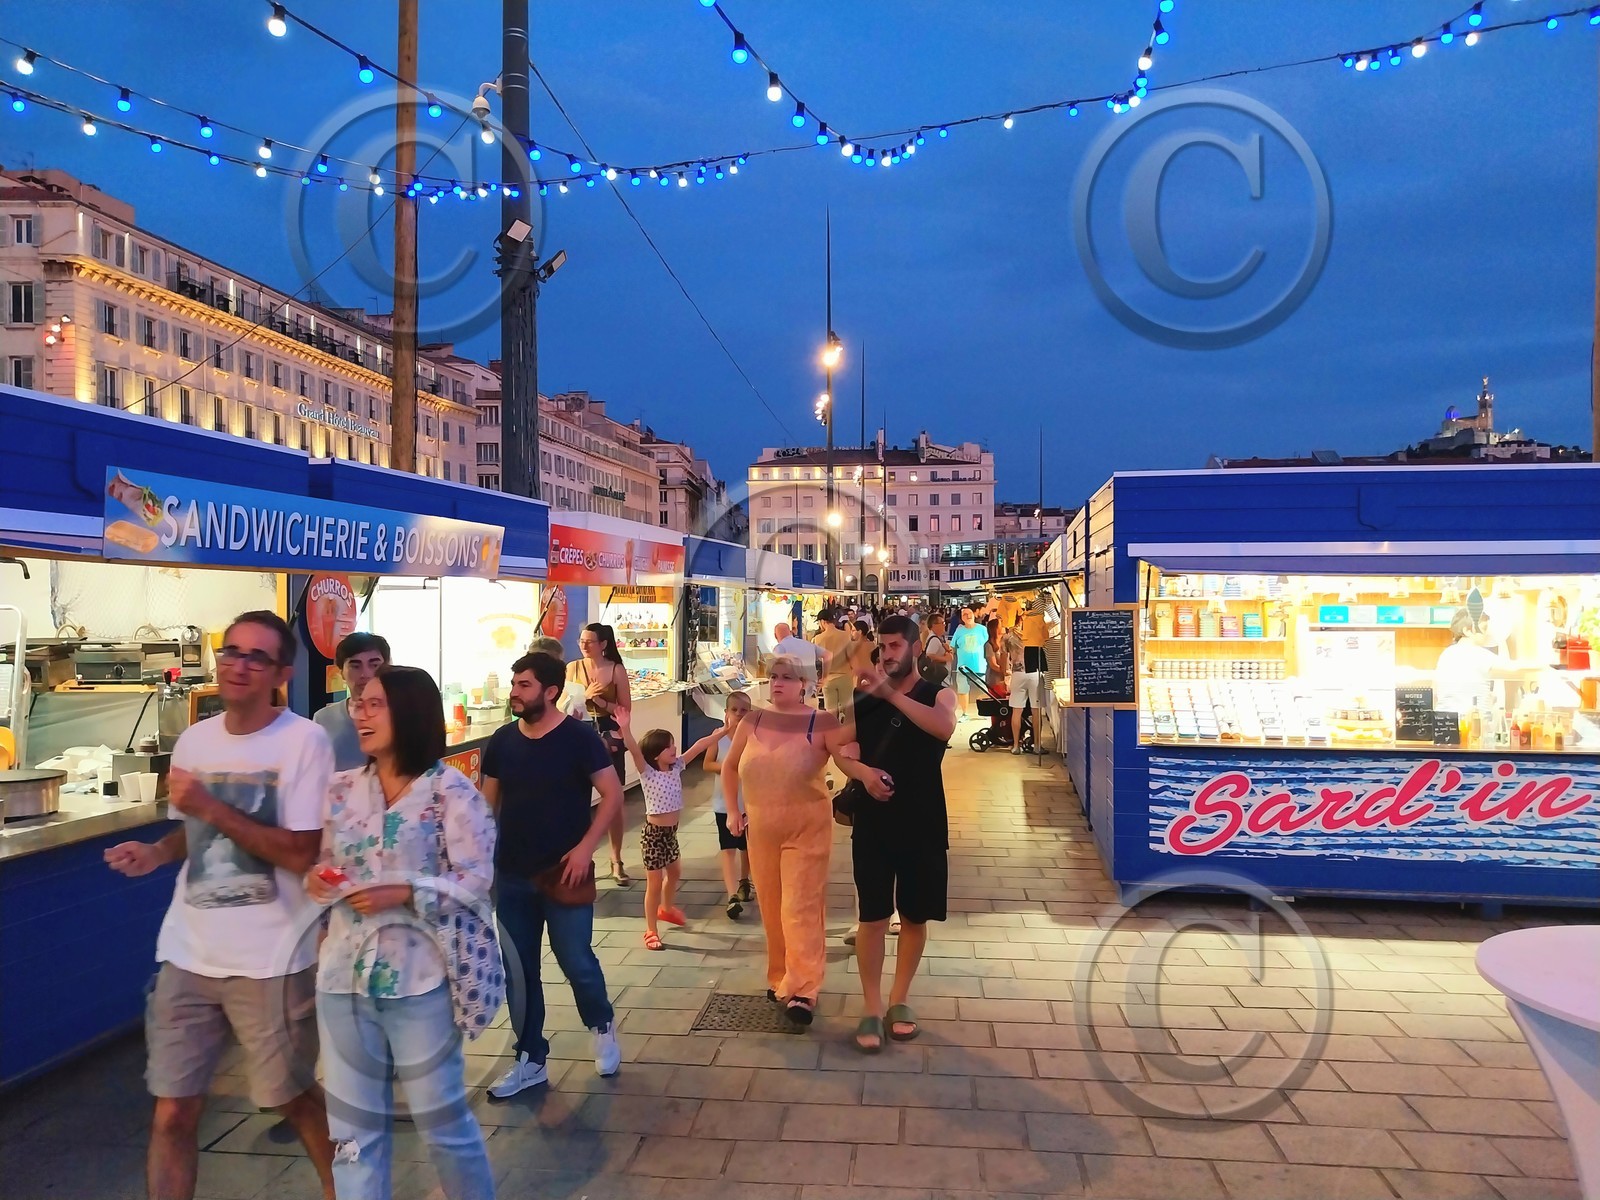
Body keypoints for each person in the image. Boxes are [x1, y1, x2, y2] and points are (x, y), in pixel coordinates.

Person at [104, 610, 336, 1200]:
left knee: (292, 1100)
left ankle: (352, 1188)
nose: (237, 664)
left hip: (271, 961)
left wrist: (209, 806)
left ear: (281, 672)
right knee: (172, 1113)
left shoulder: (303, 742)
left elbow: (300, 853)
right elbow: (193, 835)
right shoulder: (196, 740)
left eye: (256, 656)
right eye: (231, 651)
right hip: (188, 954)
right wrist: (157, 854)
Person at [307, 665, 496, 1200]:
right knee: (351, 1135)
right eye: (357, 704)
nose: (360, 715)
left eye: (373, 705)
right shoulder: (341, 790)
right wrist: (319, 879)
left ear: (409, 714)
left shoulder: (450, 792)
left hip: (420, 984)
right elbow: (322, 862)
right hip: (343, 982)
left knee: (442, 1125)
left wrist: (408, 892)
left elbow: (477, 880)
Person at [483, 652, 622, 1097]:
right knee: (518, 970)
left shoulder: (579, 739)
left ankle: (601, 1024)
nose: (514, 693)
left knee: (576, 959)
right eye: (514, 684)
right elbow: (486, 807)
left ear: (550, 691)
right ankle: (530, 1058)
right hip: (512, 874)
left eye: (523, 685)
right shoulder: (502, 741)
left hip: (566, 872)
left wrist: (585, 849)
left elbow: (613, 794)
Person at [721, 654, 872, 1027]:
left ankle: (804, 988)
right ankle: (780, 977)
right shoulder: (752, 719)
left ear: (804, 683)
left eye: (788, 677)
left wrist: (867, 773)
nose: (778, 683)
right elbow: (729, 766)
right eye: (773, 676)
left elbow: (844, 760)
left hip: (807, 829)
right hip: (762, 830)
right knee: (772, 908)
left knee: (800, 907)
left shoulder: (819, 722)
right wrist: (732, 810)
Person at [847, 616, 957, 1053]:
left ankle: (900, 999)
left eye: (894, 646)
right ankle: (872, 1005)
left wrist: (890, 692)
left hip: (923, 819)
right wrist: (863, 774)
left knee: (914, 916)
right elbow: (843, 749)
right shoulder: (862, 697)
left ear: (913, 648)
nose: (887, 653)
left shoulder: (938, 694)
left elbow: (943, 727)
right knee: (872, 918)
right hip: (874, 821)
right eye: (883, 645)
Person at [614, 709, 727, 950]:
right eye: (668, 747)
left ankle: (666, 909)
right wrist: (625, 727)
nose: (673, 749)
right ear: (655, 754)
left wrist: (723, 732)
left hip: (670, 833)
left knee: (674, 872)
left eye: (673, 745)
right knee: (654, 883)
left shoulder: (676, 767)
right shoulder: (648, 773)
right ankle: (651, 930)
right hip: (653, 836)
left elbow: (698, 746)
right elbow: (633, 749)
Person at [567, 623, 632, 885]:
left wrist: (600, 701)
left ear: (603, 644)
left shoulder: (616, 670)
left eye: (589, 641)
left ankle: (616, 859)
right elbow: (564, 702)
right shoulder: (573, 668)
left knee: (614, 799)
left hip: (608, 733)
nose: (584, 645)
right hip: (577, 729)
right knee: (574, 794)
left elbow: (625, 710)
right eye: (581, 640)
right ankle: (575, 852)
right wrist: (584, 696)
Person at [705, 691, 755, 920]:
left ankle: (745, 881)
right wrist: (729, 767)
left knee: (747, 847)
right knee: (728, 849)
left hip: (749, 802)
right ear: (725, 713)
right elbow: (707, 764)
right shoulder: (718, 737)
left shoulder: (753, 737)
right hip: (724, 803)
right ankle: (731, 893)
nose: (738, 714)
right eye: (734, 710)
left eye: (743, 710)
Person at [313, 631, 391, 771]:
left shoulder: (399, 714)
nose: (365, 674)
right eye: (355, 666)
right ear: (341, 672)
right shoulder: (323, 718)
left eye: (374, 665)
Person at [949, 607, 990, 720]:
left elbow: (988, 645)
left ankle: (986, 711)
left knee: (983, 689)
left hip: (979, 665)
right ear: (962, 618)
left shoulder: (982, 629)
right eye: (965, 614)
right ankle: (964, 713)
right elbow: (953, 646)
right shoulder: (959, 630)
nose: (968, 616)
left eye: (970, 613)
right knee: (962, 690)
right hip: (962, 667)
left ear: (974, 615)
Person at [814, 610, 854, 718]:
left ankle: (832, 734)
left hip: (828, 679)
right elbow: (851, 656)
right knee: (848, 712)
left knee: (830, 712)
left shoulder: (818, 639)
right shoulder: (845, 636)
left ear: (822, 622)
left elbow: (816, 660)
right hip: (845, 677)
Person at [771, 620, 820, 695]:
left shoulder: (780, 647)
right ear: (790, 632)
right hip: (811, 685)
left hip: (793, 687)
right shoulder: (807, 644)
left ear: (775, 635)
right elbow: (827, 655)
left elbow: (775, 668)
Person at [920, 613, 952, 687]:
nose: (945, 625)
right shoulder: (934, 639)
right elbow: (930, 655)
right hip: (939, 679)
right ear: (934, 625)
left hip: (940, 678)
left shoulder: (937, 638)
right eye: (942, 623)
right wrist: (946, 658)